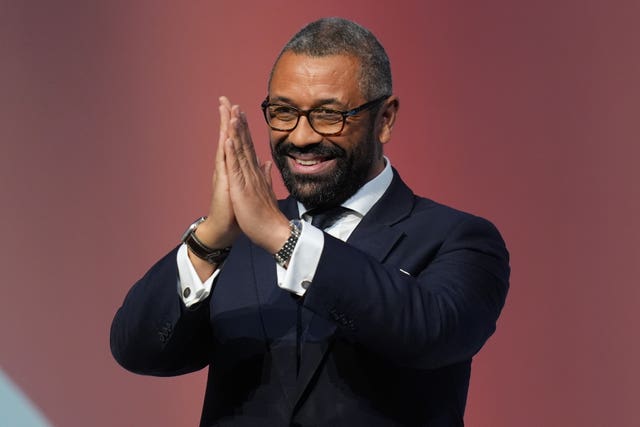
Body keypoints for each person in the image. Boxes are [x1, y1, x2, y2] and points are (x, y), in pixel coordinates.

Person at [110, 17, 510, 427]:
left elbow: (432, 335)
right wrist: (210, 238)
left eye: (328, 115)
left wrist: (283, 238)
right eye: (283, 113)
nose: (301, 137)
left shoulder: (458, 238)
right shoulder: (231, 241)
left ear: (385, 119)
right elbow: (138, 350)